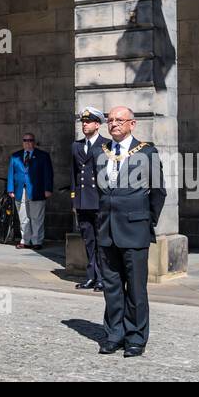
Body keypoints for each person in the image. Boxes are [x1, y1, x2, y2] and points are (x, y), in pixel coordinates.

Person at [94, 106, 165, 358]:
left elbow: (158, 192)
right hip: (106, 230)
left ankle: (135, 337)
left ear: (132, 124)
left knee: (135, 288)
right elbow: (98, 192)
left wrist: (147, 221)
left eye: (119, 120)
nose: (114, 124)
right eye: (110, 120)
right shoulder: (99, 152)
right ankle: (114, 334)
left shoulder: (147, 152)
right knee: (111, 287)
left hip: (135, 229)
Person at [70, 107, 106, 290]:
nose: (84, 124)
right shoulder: (76, 146)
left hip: (99, 200)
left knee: (101, 241)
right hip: (83, 200)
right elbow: (74, 174)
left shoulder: (106, 144)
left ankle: (102, 278)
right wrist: (74, 199)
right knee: (88, 240)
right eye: (83, 122)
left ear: (97, 124)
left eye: (88, 122)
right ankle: (91, 276)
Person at [6, 133, 53, 249]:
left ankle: (37, 241)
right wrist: (10, 189)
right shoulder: (15, 156)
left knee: (36, 217)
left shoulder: (43, 156)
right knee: (23, 217)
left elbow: (48, 174)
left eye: (30, 140)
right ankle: (25, 240)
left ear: (34, 142)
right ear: (22, 142)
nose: (28, 142)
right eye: (25, 140)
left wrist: (48, 189)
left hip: (37, 190)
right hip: (20, 190)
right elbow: (11, 174)